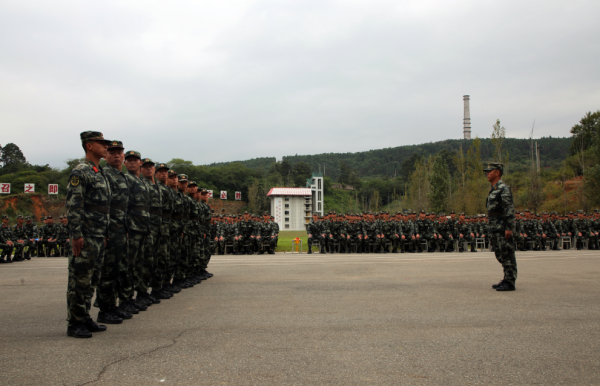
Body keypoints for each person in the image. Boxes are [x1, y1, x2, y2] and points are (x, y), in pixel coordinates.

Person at [65, 131, 113, 338]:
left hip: (98, 233)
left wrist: (105, 233)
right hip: (86, 233)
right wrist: (76, 234)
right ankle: (74, 322)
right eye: (102, 143)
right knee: (80, 279)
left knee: (92, 278)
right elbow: (74, 205)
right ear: (90, 145)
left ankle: (85, 317)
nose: (106, 147)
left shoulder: (99, 171)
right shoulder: (80, 172)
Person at [97, 140, 132, 323]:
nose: (116, 155)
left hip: (121, 229)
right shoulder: (104, 175)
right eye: (112, 152)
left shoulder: (123, 176)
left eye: (119, 152)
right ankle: (104, 309)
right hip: (110, 229)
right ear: (106, 155)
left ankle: (112, 305)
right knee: (108, 270)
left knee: (118, 269)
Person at [123, 150, 150, 312]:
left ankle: (136, 295)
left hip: (142, 227)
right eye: (129, 160)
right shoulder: (126, 179)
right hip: (132, 227)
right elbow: (123, 205)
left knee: (140, 263)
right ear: (125, 163)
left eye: (135, 160)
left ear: (140, 163)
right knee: (129, 265)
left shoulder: (142, 182)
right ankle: (126, 299)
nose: (132, 162)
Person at [484, 163, 517, 292]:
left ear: (497, 173)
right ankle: (506, 278)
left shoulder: (503, 189)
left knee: (507, 253)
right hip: (495, 227)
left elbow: (508, 209)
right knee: (500, 254)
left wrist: (509, 227)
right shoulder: (495, 188)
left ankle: (510, 281)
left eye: (489, 171)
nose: (487, 173)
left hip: (502, 227)